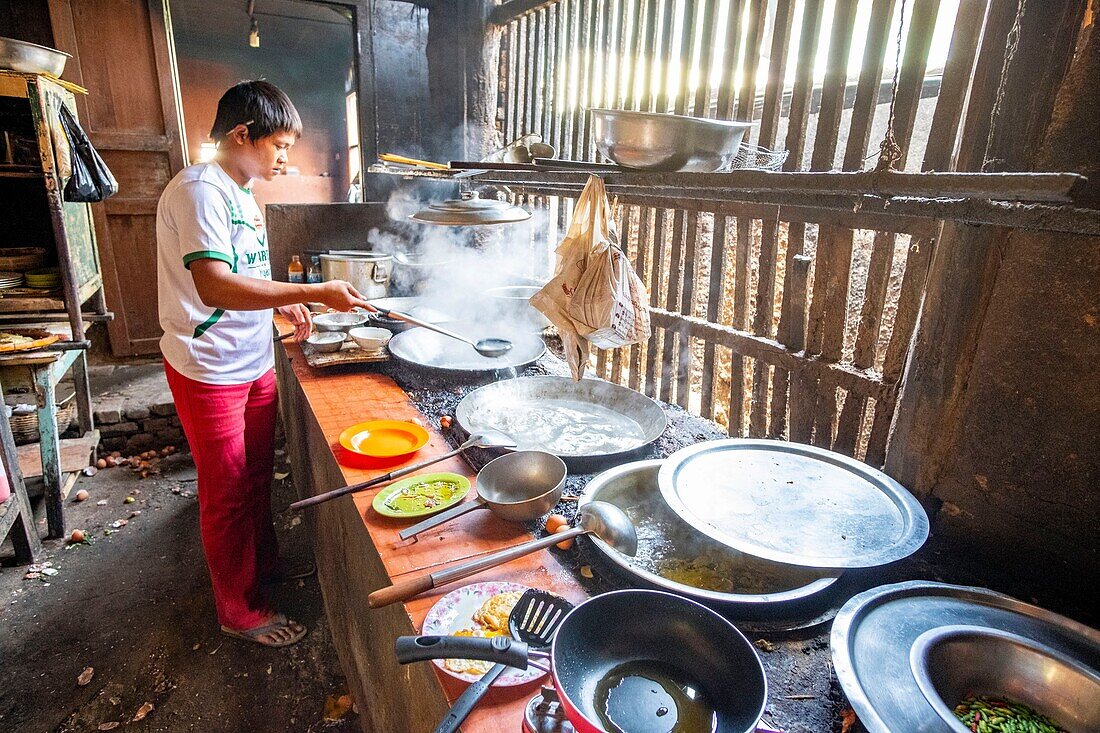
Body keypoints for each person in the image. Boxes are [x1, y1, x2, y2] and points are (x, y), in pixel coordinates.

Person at [156, 80, 371, 647]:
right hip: (208, 366)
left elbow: (248, 274)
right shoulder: (200, 191)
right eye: (279, 144)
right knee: (226, 492)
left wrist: (290, 301)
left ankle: (262, 568)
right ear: (241, 134)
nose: (285, 157)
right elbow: (214, 284)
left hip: (250, 359)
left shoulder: (242, 191)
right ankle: (239, 607)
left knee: (254, 475)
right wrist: (319, 291)